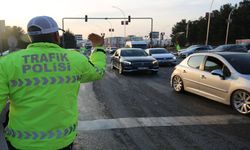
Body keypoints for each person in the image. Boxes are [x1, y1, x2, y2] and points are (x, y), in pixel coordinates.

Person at [0, 16, 106, 150]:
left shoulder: (7, 63)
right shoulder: (74, 59)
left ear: (30, 38)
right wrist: (98, 48)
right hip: (61, 142)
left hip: (21, 142)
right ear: (56, 36)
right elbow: (98, 72)